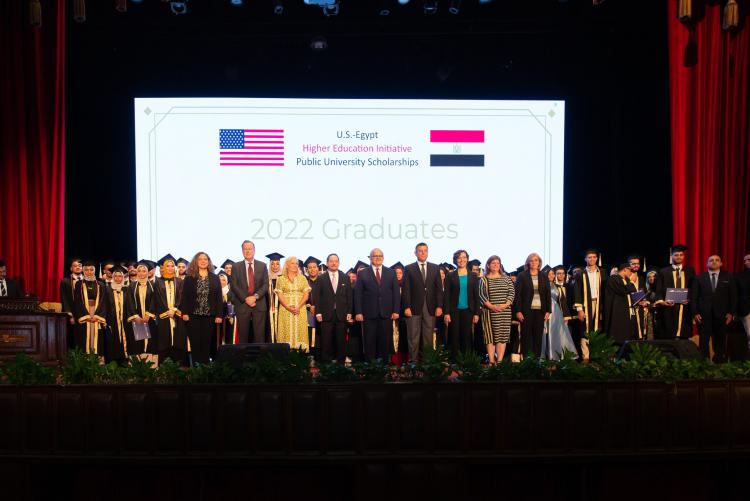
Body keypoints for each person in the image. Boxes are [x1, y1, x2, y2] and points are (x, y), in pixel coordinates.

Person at [354, 248, 401, 361]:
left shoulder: (390, 272)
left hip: (386, 313)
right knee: (369, 342)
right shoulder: (363, 273)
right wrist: (358, 312)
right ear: (370, 258)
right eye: (375, 256)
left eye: (380, 255)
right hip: (368, 314)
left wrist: (396, 310)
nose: (378, 257)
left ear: (383, 258)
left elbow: (396, 293)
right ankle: (371, 366)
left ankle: (384, 365)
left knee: (385, 342)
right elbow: (358, 294)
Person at [179, 252, 223, 365]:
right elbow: (185, 297)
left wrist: (219, 315)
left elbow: (218, 297)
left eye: (205, 259)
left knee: (206, 342)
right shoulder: (189, 278)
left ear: (208, 262)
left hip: (210, 316)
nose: (203, 261)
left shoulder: (214, 278)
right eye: (200, 259)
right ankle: (196, 367)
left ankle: (205, 368)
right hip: (193, 316)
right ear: (196, 262)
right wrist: (184, 313)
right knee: (195, 343)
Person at [402, 243, 444, 361]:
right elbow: (406, 289)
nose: (423, 253)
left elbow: (439, 290)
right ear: (415, 253)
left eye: (425, 250)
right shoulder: (409, 268)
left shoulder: (435, 268)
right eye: (420, 251)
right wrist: (406, 306)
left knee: (428, 337)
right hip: (413, 307)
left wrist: (439, 306)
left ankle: (428, 363)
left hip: (430, 307)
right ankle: (413, 363)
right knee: (413, 337)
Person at [691, 255, 737, 362]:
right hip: (703, 315)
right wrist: (695, 313)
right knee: (704, 340)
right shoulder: (699, 277)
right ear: (707, 264)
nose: (714, 262)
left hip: (722, 315)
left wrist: (731, 313)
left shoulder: (729, 277)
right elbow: (694, 297)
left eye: (717, 260)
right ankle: (704, 363)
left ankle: (719, 363)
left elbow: (733, 297)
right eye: (711, 260)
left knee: (720, 340)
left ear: (721, 263)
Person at [313, 253, 353, 362]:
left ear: (339, 263)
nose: (334, 263)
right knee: (326, 342)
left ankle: (340, 365)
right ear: (327, 263)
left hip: (342, 315)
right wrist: (318, 313)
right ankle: (326, 366)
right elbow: (317, 297)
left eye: (336, 261)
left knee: (341, 341)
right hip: (326, 315)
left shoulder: (345, 277)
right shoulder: (321, 278)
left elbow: (349, 296)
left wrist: (349, 312)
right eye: (331, 261)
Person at [443, 250, 480, 361]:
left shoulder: (473, 276)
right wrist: (446, 313)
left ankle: (467, 361)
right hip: (454, 311)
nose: (461, 260)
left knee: (467, 337)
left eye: (464, 257)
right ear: (455, 260)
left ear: (467, 259)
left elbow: (476, 296)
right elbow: (447, 296)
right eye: (459, 257)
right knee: (454, 337)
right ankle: (454, 362)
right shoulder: (450, 276)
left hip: (468, 310)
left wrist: (476, 313)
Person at [229, 240, 269, 344]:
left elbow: (265, 285)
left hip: (259, 304)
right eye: (245, 249)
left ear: (254, 250)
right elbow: (234, 285)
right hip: (242, 304)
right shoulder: (236, 266)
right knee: (243, 337)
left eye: (250, 249)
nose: (247, 251)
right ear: (242, 251)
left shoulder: (262, 265)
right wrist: (246, 298)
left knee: (259, 337)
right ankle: (243, 360)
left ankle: (260, 360)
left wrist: (255, 297)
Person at [654, 244, 696, 339]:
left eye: (681, 255)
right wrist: (662, 301)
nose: (679, 257)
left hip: (684, 308)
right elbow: (659, 289)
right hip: (668, 307)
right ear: (672, 256)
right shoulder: (663, 271)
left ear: (684, 256)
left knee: (683, 334)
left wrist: (689, 299)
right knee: (669, 333)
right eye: (676, 255)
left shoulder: (690, 270)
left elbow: (693, 288)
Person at [479, 255, 515, 364]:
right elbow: (481, 295)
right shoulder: (484, 280)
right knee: (490, 337)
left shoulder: (506, 278)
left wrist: (505, 304)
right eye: (493, 263)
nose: (495, 265)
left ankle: (499, 361)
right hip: (489, 313)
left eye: (498, 263)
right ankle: (491, 361)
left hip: (504, 312)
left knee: (502, 337)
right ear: (488, 265)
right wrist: (492, 306)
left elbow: (511, 293)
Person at [514, 253, 551, 357]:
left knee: (538, 337)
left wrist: (548, 310)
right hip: (526, 311)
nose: (534, 262)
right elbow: (518, 295)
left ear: (539, 262)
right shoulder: (522, 276)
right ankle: (526, 361)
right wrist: (518, 311)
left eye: (536, 260)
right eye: (531, 260)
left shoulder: (543, 276)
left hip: (540, 311)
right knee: (526, 337)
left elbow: (548, 294)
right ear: (528, 263)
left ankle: (537, 362)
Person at [154, 254, 187, 365]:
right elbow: (157, 298)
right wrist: (167, 311)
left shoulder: (180, 281)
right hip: (164, 317)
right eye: (167, 266)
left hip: (177, 316)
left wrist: (174, 309)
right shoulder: (157, 282)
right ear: (163, 267)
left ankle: (180, 370)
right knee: (164, 342)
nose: (170, 268)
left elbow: (182, 297)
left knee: (179, 342)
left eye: (172, 266)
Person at [573, 249, 606, 361]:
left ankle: (597, 357)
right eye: (589, 257)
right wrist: (579, 309)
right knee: (585, 330)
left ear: (597, 258)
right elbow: (577, 291)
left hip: (599, 304)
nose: (592, 259)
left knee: (598, 329)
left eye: (594, 257)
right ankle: (585, 358)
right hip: (586, 304)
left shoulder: (602, 272)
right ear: (585, 259)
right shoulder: (580, 274)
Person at [274, 256, 312, 351]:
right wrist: (288, 307)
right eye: (292, 263)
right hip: (285, 309)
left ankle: (300, 357)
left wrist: (298, 306)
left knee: (300, 332)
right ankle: (285, 357)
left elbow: (306, 295)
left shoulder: (302, 278)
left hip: (300, 309)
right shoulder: (281, 279)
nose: (295, 265)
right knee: (286, 332)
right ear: (287, 265)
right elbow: (280, 294)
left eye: (296, 263)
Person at [72, 260, 108, 355]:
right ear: (83, 271)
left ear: (94, 271)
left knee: (97, 337)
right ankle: (85, 361)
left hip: (97, 313)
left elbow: (103, 301)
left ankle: (97, 361)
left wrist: (97, 315)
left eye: (91, 270)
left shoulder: (101, 285)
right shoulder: (79, 284)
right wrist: (85, 315)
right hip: (85, 313)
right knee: (85, 337)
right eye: (87, 270)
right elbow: (77, 301)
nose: (89, 272)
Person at [543, 265, 578, 360]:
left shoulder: (555, 285)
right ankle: (549, 356)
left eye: (552, 274)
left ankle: (559, 355)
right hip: (548, 311)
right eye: (549, 274)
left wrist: (565, 316)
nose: (551, 276)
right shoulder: (543, 285)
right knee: (548, 333)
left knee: (558, 334)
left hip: (557, 312)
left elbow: (561, 301)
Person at [125, 261, 157, 357]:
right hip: (137, 319)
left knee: (151, 343)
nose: (142, 273)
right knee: (138, 342)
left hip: (150, 319)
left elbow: (154, 300)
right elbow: (129, 302)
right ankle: (138, 366)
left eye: (144, 271)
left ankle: (151, 366)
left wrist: (149, 314)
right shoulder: (131, 286)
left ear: (148, 272)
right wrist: (135, 316)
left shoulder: (153, 286)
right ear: (137, 272)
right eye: (139, 271)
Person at [604, 263, 638, 347]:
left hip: (627, 311)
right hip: (617, 312)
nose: (631, 273)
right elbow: (623, 290)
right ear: (625, 269)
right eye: (630, 270)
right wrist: (632, 282)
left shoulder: (624, 280)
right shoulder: (613, 279)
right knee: (618, 336)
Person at [103, 265, 131, 363]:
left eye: (120, 276)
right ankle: (113, 362)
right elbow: (104, 306)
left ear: (123, 277)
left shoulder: (127, 290)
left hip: (125, 321)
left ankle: (125, 360)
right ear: (113, 277)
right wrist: (106, 321)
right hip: (112, 321)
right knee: (112, 341)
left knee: (126, 339)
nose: (118, 278)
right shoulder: (107, 290)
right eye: (116, 276)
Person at [265, 252, 284, 343]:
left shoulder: (284, 278)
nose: (275, 266)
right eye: (272, 264)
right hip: (267, 309)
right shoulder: (265, 278)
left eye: (277, 264)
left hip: (282, 308)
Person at [60, 257, 83, 329]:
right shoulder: (65, 281)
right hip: (72, 312)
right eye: (75, 266)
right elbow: (64, 299)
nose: (78, 267)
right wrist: (70, 315)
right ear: (71, 268)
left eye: (79, 266)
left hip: (85, 313)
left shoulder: (87, 280)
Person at [217, 271, 236, 346]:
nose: (221, 282)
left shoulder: (232, 293)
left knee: (229, 339)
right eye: (219, 280)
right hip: (218, 320)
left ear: (227, 281)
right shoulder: (214, 293)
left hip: (229, 320)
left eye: (223, 280)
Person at [739, 254, 750, 355]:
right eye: (745, 260)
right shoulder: (741, 276)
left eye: (749, 260)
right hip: (747, 311)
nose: (746, 262)